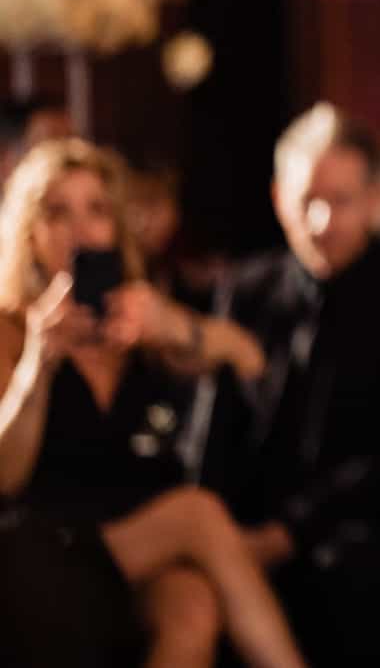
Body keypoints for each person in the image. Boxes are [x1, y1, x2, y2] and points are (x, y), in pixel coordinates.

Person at [0, 138, 304, 667]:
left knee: (193, 607)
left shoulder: (139, 320)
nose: (80, 227)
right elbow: (5, 477)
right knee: (197, 512)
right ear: (31, 230)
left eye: (96, 209)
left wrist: (172, 327)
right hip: (45, 552)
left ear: (117, 225)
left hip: (138, 546)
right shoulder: (9, 329)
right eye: (58, 211)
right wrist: (37, 366)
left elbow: (247, 355)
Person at [194, 103, 380, 666]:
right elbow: (213, 433)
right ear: (278, 199)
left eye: (341, 201)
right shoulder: (245, 291)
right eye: (306, 201)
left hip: (369, 533)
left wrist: (284, 533)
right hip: (243, 530)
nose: (321, 222)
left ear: (373, 201)